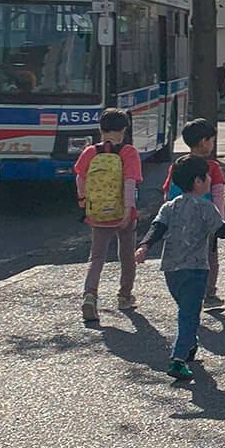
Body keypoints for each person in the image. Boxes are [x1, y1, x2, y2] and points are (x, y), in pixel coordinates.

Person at [135, 155, 225, 381]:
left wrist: (144, 247)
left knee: (186, 311)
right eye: (207, 176)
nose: (210, 179)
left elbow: (157, 228)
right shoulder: (206, 207)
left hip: (171, 269)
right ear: (198, 181)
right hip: (196, 269)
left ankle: (188, 344)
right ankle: (178, 360)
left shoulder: (169, 206)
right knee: (189, 315)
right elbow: (222, 231)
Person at [74, 108, 144, 326]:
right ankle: (124, 297)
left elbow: (80, 178)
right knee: (126, 255)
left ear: (100, 129)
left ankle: (90, 295)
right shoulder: (128, 152)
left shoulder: (89, 152)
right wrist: (127, 210)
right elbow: (130, 182)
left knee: (97, 257)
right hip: (123, 212)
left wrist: (84, 202)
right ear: (124, 130)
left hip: (97, 212)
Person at [170, 117, 225, 312]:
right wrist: (219, 221)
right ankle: (210, 295)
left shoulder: (178, 165)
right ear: (204, 142)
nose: (212, 145)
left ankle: (187, 293)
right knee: (210, 257)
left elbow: (168, 193)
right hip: (206, 223)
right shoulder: (212, 167)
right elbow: (218, 194)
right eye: (212, 141)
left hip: (182, 222)